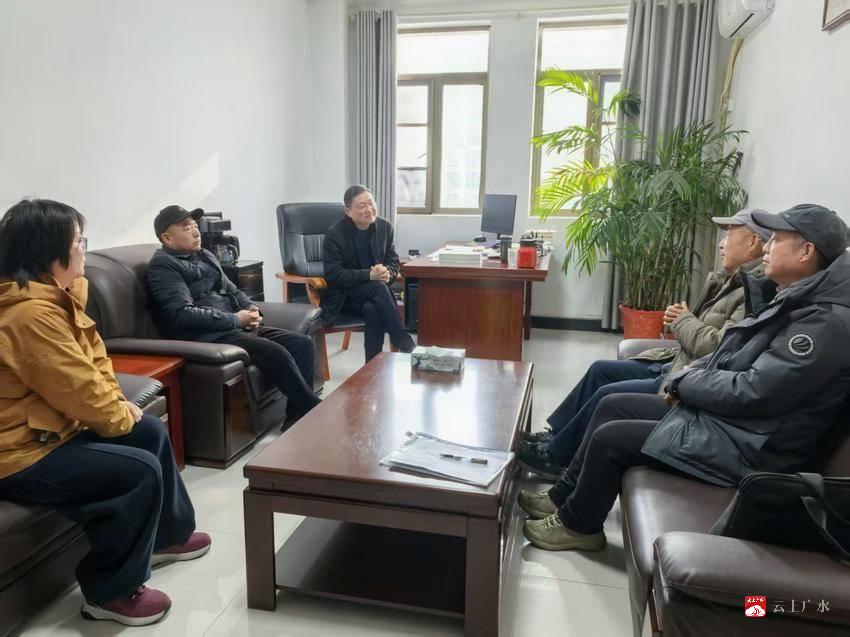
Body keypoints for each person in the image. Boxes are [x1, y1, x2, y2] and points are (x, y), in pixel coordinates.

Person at [522, 203, 850, 552]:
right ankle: (561, 496)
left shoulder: (823, 324)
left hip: (755, 449)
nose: (766, 247)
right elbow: (734, 356)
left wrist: (685, 383)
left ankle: (579, 525)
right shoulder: (796, 297)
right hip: (738, 426)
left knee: (613, 438)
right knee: (614, 405)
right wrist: (692, 376)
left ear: (806, 251)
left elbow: (754, 391)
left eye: (776, 240)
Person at [0, 199, 209, 626]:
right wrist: (115, 414)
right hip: (19, 452)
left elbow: (94, 365)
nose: (84, 249)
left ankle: (167, 537)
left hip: (50, 429)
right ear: (47, 252)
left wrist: (119, 407)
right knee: (135, 472)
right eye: (78, 241)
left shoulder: (56, 298)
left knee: (149, 431)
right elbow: (76, 386)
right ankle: (108, 593)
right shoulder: (28, 315)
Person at [519, 209, 771, 479]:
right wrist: (683, 319)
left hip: (687, 377)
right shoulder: (729, 279)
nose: (721, 243)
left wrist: (683, 320)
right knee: (599, 370)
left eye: (729, 235)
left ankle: (556, 458)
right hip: (677, 363)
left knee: (607, 395)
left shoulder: (753, 292)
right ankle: (557, 436)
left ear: (752, 242)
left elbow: (717, 348)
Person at [146, 205, 320, 422]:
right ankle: (315, 411)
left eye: (194, 225)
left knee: (302, 344)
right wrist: (236, 319)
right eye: (186, 227)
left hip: (233, 328)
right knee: (277, 353)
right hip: (207, 336)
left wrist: (252, 309)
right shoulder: (163, 266)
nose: (196, 231)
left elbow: (232, 290)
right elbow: (182, 314)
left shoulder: (205, 255)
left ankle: (297, 416)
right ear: (167, 238)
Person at [321, 185, 415, 362]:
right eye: (362, 206)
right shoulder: (335, 234)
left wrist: (388, 273)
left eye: (371, 203)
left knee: (372, 308)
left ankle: (372, 366)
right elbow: (333, 275)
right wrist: (368, 275)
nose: (369, 209)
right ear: (348, 211)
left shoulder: (384, 227)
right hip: (344, 296)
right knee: (377, 288)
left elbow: (393, 260)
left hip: (374, 294)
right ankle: (404, 341)